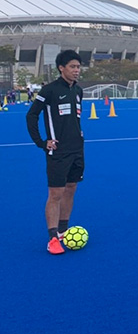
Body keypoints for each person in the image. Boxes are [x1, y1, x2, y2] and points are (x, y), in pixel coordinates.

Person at [25, 50, 85, 255]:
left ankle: (63, 231)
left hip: (77, 149)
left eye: (78, 67)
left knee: (71, 188)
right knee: (56, 193)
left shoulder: (78, 91)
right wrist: (42, 142)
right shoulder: (49, 90)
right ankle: (52, 238)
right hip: (58, 151)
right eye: (72, 67)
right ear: (61, 68)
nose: (76, 70)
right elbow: (31, 116)